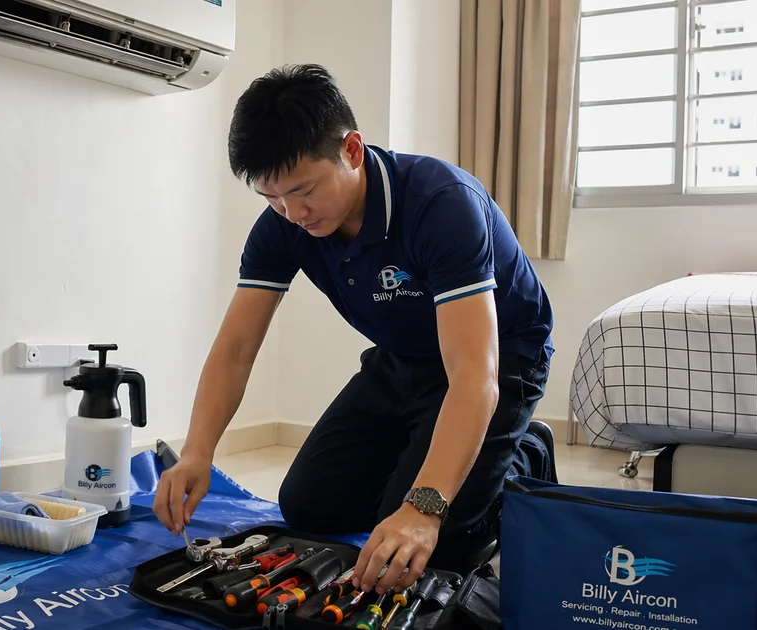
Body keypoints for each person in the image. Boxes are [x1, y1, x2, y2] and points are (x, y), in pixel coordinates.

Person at [152, 63, 558, 596]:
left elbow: (473, 374)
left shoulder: (441, 204)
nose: (292, 212)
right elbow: (235, 349)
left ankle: (523, 449)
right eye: (270, 197)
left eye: (304, 191)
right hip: (400, 359)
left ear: (352, 150)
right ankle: (432, 461)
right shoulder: (282, 223)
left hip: (501, 360)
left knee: (432, 538)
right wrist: (199, 450)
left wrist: (423, 507)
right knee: (308, 508)